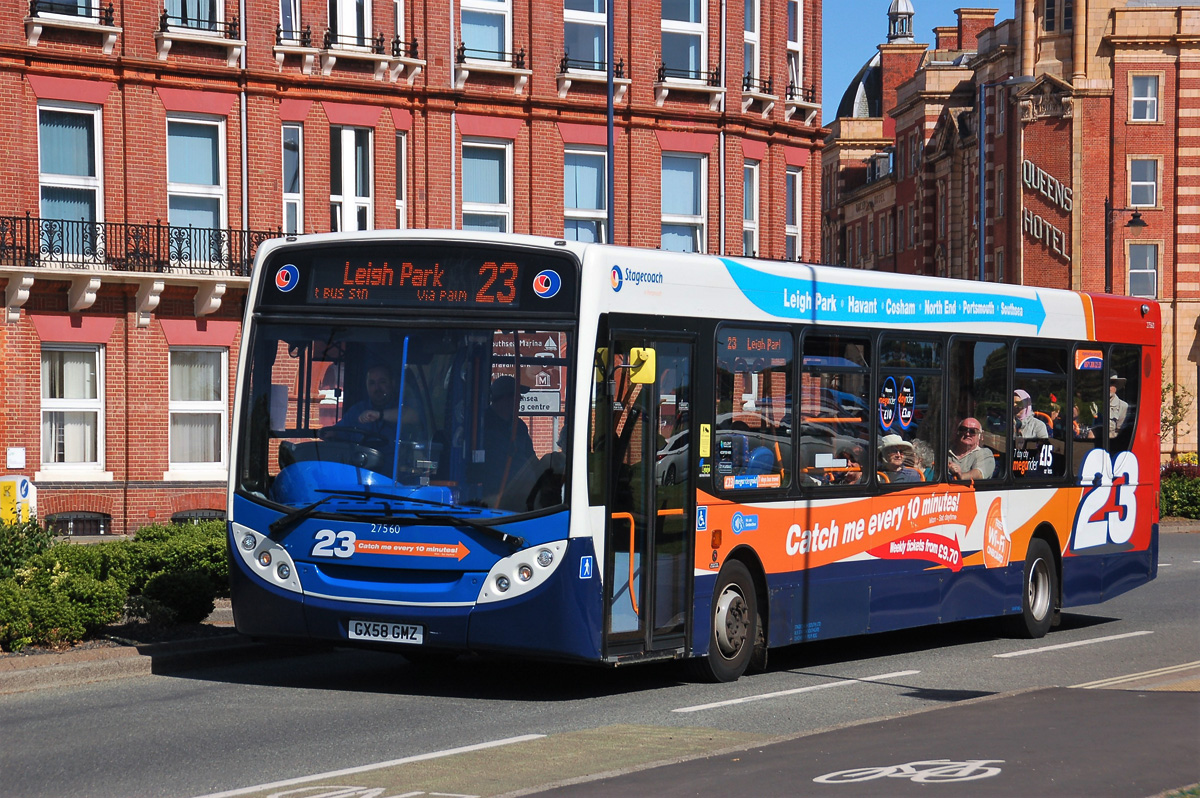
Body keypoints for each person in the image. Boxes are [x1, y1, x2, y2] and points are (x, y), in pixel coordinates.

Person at [481, 375, 536, 501]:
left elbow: (531, 457)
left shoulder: (519, 425)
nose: (520, 400)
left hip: (521, 490)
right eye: (517, 396)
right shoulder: (484, 423)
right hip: (495, 492)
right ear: (505, 398)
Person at [1109, 373, 1129, 439]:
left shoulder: (1123, 406)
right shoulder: (1095, 404)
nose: (1109, 387)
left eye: (1112, 383)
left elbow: (1121, 431)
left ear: (1116, 386)